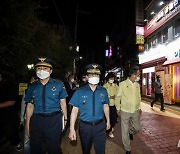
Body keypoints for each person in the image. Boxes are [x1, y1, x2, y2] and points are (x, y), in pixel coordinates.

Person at [24, 57, 68, 154]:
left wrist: (65, 119)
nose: (42, 71)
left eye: (45, 68)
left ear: (50, 71)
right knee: (35, 148)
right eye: (39, 68)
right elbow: (30, 106)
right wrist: (27, 124)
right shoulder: (32, 86)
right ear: (36, 70)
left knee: (54, 148)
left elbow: (63, 102)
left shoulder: (58, 84)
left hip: (54, 120)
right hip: (36, 120)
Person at [68, 63, 110, 154]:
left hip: (100, 126)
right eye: (91, 75)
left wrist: (108, 120)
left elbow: (106, 106)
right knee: (86, 150)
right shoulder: (79, 91)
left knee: (101, 151)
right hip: (85, 127)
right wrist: (72, 129)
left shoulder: (103, 91)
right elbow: (74, 111)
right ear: (86, 77)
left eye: (96, 75)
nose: (94, 77)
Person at [115, 66, 141, 154]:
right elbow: (118, 97)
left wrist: (139, 107)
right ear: (133, 75)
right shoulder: (122, 84)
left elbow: (139, 97)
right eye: (138, 74)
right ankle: (127, 148)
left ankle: (131, 131)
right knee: (124, 131)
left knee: (137, 128)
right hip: (125, 111)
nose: (139, 76)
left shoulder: (137, 85)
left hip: (135, 111)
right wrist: (118, 108)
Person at [0, 69, 23, 152]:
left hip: (9, 116)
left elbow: (11, 102)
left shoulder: (10, 85)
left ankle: (17, 143)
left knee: (11, 132)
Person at [20, 74, 38, 154]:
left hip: (38, 118)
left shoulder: (42, 91)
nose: (33, 81)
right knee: (27, 140)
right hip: (27, 118)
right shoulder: (27, 91)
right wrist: (22, 118)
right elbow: (23, 105)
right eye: (32, 80)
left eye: (35, 80)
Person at [103, 72, 118, 138]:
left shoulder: (115, 86)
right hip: (107, 105)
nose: (112, 79)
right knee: (107, 118)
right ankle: (109, 131)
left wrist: (116, 96)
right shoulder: (105, 86)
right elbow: (103, 95)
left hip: (114, 104)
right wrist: (110, 97)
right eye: (111, 78)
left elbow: (118, 93)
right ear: (108, 79)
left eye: (113, 78)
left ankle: (111, 127)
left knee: (114, 118)